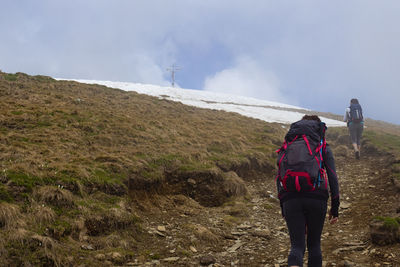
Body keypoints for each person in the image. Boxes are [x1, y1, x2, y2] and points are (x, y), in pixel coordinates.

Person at [276, 115, 340, 267]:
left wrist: (283, 207)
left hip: (290, 198)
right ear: (318, 128)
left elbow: (279, 177)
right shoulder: (323, 146)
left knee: (296, 246)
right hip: (317, 197)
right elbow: (332, 176)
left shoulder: (287, 146)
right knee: (314, 245)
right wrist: (335, 207)